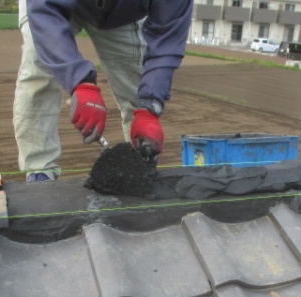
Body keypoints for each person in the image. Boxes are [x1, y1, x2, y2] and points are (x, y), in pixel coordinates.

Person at [13, 0, 193, 182]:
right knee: (37, 65)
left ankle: (141, 169)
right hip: (52, 7)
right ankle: (39, 172)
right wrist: (80, 82)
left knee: (136, 90)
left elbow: (168, 38)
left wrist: (150, 107)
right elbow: (45, 12)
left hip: (123, 14)